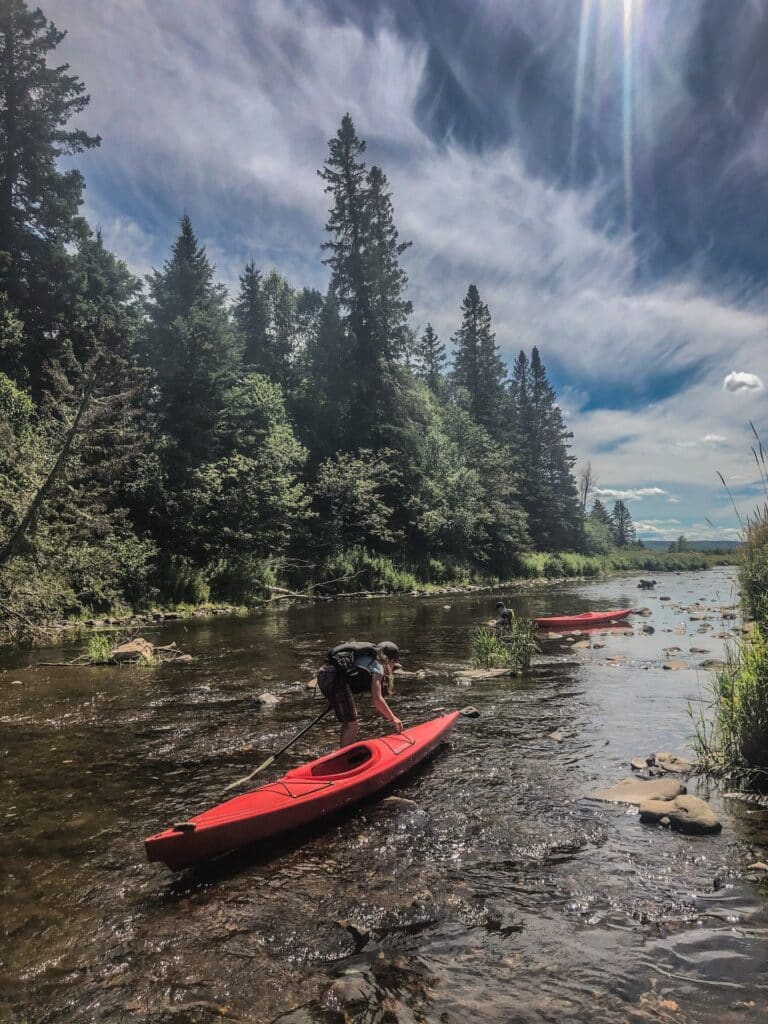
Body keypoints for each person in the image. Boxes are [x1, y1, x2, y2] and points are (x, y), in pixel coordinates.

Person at [316, 640, 403, 747]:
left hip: (323, 673)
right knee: (352, 725)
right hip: (335, 677)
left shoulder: (365, 657)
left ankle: (343, 750)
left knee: (349, 720)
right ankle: (345, 757)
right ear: (392, 660)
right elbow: (377, 699)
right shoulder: (378, 666)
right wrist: (393, 718)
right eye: (393, 664)